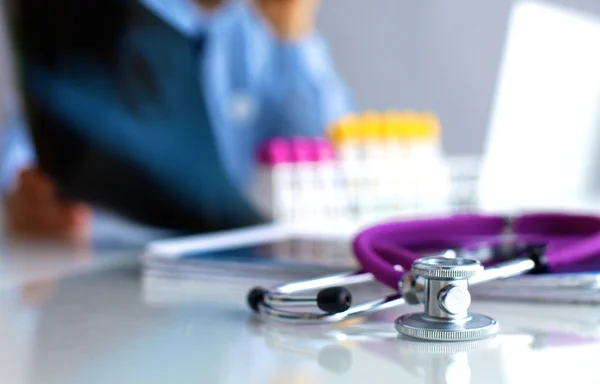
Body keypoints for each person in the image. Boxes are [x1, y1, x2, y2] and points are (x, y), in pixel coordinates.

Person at [1, 0, 354, 242]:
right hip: (110, 270)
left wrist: (295, 38)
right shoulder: (103, 19)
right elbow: (24, 160)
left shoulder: (260, 33)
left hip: (225, 269)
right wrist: (26, 207)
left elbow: (336, 163)